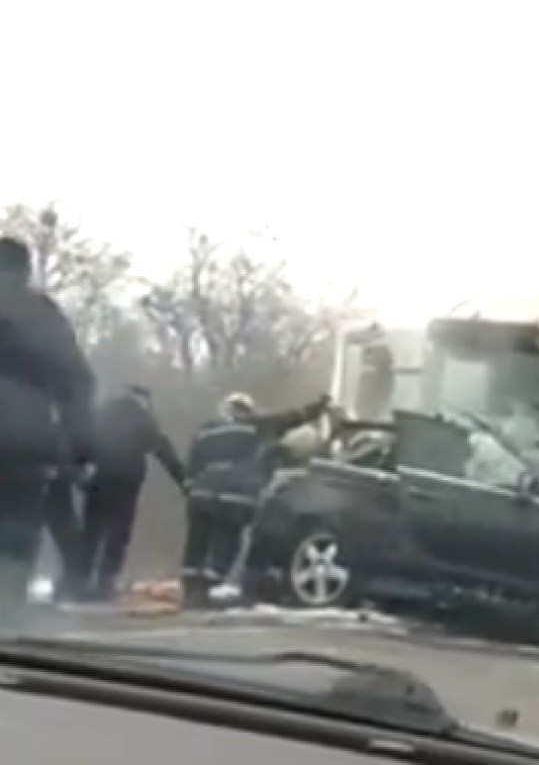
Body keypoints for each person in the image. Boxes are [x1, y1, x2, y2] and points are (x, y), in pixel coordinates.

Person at [0, 236, 95, 626]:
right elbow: (77, 380)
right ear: (26, 270)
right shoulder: (41, 313)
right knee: (18, 521)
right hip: (26, 437)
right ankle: (8, 612)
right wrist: (80, 447)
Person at [181, 391, 331, 607]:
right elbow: (291, 417)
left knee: (196, 543)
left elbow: (192, 463)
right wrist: (318, 407)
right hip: (234, 496)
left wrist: (190, 486)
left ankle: (190, 591)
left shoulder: (206, 430)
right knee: (224, 543)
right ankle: (206, 592)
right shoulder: (257, 425)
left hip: (201, 494)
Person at [79, 385, 186, 601]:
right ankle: (105, 582)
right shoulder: (142, 417)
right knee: (118, 532)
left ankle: (78, 580)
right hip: (127, 480)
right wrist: (183, 479)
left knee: (91, 530)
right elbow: (162, 448)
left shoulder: (101, 412)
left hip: (98, 477)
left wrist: (78, 471)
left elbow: (83, 441)